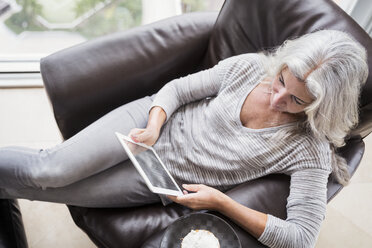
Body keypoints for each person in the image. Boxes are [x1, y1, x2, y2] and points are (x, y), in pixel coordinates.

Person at [0, 30, 368, 247]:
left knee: (43, 185)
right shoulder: (252, 67)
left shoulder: (309, 150)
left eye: (296, 101)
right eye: (281, 81)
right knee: (49, 169)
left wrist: (222, 203)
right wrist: (155, 124)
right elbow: (178, 89)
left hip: (158, 176)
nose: (276, 98)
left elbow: (300, 237)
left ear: (322, 107)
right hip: (147, 122)